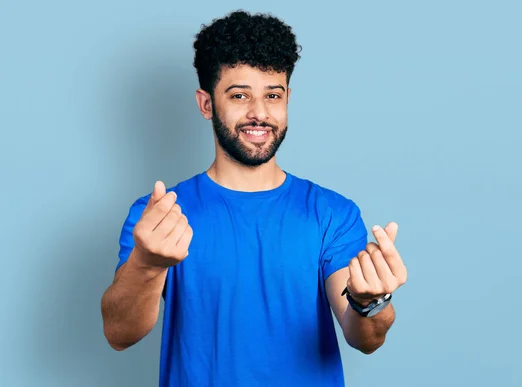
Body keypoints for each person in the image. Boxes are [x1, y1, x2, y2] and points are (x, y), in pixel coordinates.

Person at [100, 9, 407, 387]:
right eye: (239, 95)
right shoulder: (158, 217)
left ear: (287, 99)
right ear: (206, 103)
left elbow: (365, 338)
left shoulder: (332, 214)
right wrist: (147, 264)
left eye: (273, 95)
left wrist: (370, 301)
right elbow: (119, 334)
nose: (259, 113)